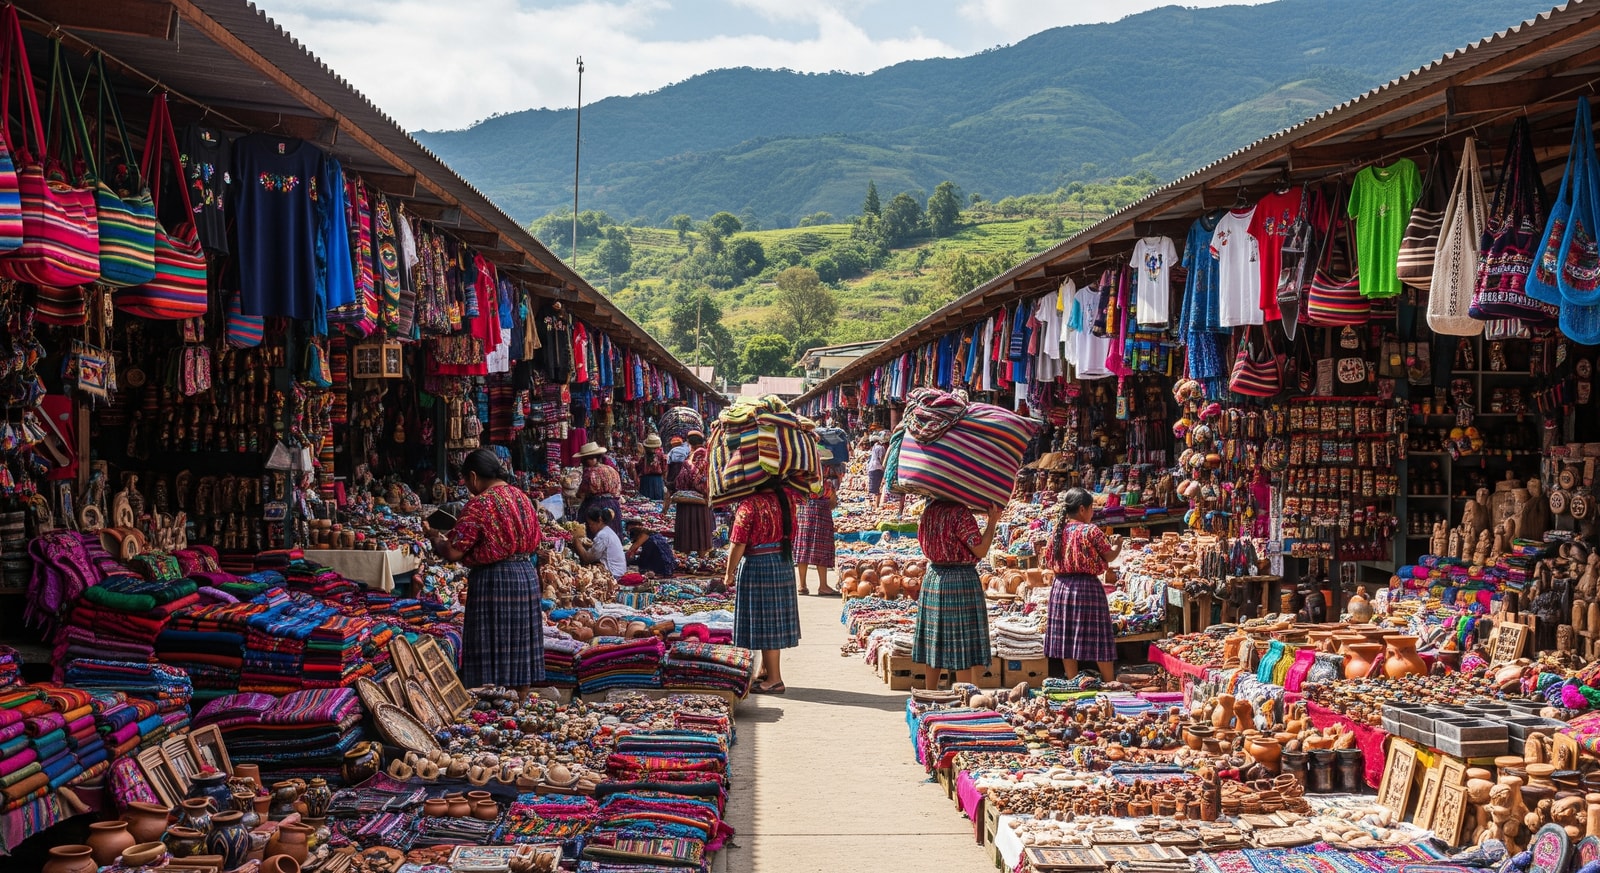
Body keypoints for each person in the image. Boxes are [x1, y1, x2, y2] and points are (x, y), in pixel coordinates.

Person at [424, 448, 543, 697]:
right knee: (519, 645)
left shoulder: (481, 504)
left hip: (495, 578)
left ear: (474, 476)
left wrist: (435, 538)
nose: (468, 487)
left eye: (467, 481)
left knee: (491, 645)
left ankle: (489, 708)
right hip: (525, 574)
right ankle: (520, 703)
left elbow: (454, 551)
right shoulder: (522, 497)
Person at [912, 500, 1004, 690]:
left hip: (934, 577)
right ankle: (965, 698)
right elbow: (980, 549)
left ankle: (930, 694)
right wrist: (992, 521)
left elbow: (922, 541)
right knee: (963, 645)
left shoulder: (930, 510)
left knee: (933, 641)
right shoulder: (960, 513)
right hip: (960, 579)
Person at [726, 479, 799, 694]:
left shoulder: (750, 505)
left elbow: (738, 542)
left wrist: (728, 572)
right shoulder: (787, 499)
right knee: (770, 619)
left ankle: (775, 680)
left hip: (759, 564)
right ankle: (766, 671)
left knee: (766, 621)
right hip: (781, 561)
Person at [1043, 487, 1122, 684]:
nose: (1092, 513)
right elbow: (1109, 555)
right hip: (1087, 587)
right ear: (1081, 509)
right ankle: (1110, 681)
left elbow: (1047, 560)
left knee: (1066, 636)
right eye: (1091, 509)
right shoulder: (1090, 530)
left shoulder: (1057, 532)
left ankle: (1072, 681)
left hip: (1061, 588)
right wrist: (1118, 545)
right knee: (1098, 636)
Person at [794, 457, 839, 596]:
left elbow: (795, 499)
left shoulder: (801, 483)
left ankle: (802, 585)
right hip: (821, 515)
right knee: (822, 549)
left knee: (803, 548)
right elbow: (832, 503)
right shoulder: (827, 485)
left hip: (804, 514)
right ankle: (823, 585)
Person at [670, 431, 714, 557]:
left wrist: (687, 466)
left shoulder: (698, 455)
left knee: (688, 529)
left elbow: (695, 477)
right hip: (699, 499)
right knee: (700, 530)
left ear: (690, 443)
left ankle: (688, 557)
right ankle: (699, 557)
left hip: (692, 499)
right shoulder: (701, 454)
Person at [574, 440, 623, 537]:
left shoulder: (589, 472)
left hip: (595, 505)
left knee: (593, 535)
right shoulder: (611, 469)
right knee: (612, 532)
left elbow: (581, 493)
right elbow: (618, 489)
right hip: (613, 505)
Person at [573, 506, 627, 576]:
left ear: (600, 520)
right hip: (619, 570)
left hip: (614, 573)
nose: (590, 527)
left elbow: (587, 559)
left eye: (591, 524)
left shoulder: (602, 535)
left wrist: (577, 542)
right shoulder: (607, 531)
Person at [637, 435, 667, 502]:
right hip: (657, 480)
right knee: (657, 501)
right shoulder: (661, 456)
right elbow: (665, 469)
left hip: (646, 480)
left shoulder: (644, 456)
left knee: (646, 501)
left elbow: (639, 468)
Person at [866, 433, 888, 507]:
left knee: (873, 486)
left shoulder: (874, 447)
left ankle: (873, 504)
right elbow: (882, 459)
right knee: (877, 487)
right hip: (877, 468)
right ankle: (876, 505)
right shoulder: (880, 448)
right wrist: (884, 468)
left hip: (872, 468)